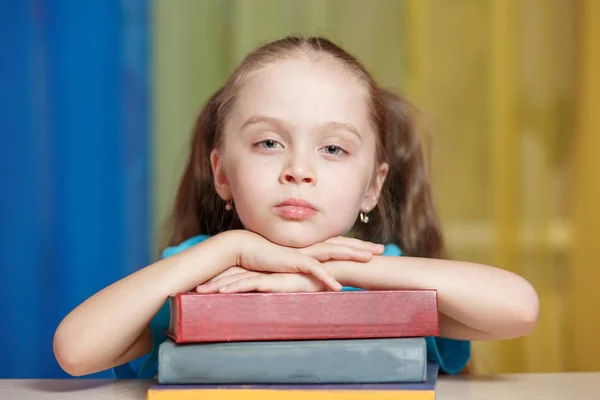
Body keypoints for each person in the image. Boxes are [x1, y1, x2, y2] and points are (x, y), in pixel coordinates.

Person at [53, 36, 539, 379]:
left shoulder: (387, 279)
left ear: (373, 186)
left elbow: (518, 310)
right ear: (222, 173)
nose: (299, 169)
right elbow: (75, 350)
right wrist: (229, 249)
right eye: (268, 142)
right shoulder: (201, 276)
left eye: (333, 149)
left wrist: (331, 267)